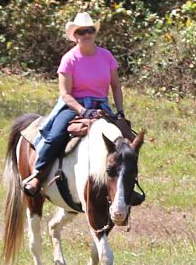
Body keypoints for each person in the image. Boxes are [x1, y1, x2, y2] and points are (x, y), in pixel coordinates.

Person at [21, 12, 126, 197]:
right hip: (73, 106)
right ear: (75, 36)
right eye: (81, 31)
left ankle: (126, 184)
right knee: (55, 136)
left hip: (101, 106)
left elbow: (116, 87)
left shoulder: (107, 56)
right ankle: (38, 174)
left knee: (126, 139)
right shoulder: (69, 59)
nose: (86, 34)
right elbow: (65, 94)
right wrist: (83, 111)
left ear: (95, 33)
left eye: (90, 30)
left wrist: (121, 112)